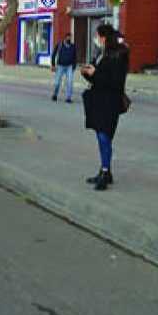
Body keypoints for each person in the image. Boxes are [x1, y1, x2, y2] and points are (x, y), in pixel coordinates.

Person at [80, 24, 128, 191]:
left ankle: (106, 172)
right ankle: (104, 170)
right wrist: (87, 72)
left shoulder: (118, 55)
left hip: (110, 102)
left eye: (98, 36)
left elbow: (115, 82)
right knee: (102, 137)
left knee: (104, 136)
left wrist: (96, 74)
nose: (97, 39)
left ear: (104, 37)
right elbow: (98, 79)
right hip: (99, 101)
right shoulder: (102, 54)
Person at [50, 33, 77, 103]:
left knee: (70, 82)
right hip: (60, 66)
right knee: (57, 82)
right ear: (65, 38)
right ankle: (55, 95)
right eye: (68, 37)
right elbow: (53, 54)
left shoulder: (73, 46)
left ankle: (68, 97)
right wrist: (53, 65)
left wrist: (74, 66)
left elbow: (75, 57)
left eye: (70, 38)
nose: (69, 39)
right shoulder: (60, 45)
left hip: (69, 66)